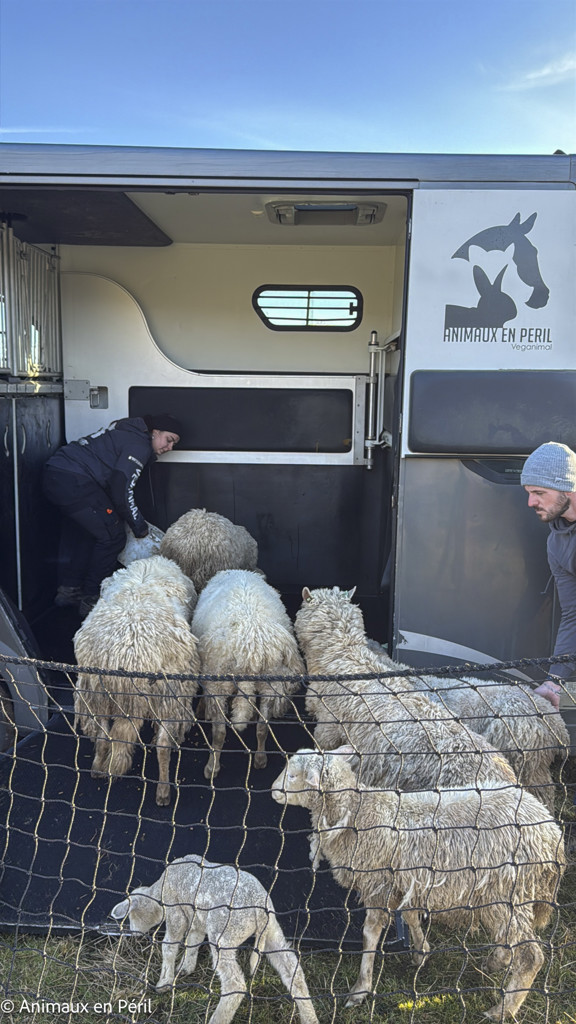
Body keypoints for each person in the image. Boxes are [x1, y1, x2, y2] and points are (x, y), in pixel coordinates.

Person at [43, 413, 182, 618]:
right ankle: (92, 598)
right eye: (169, 440)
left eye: (174, 444)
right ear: (155, 432)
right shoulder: (139, 445)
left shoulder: (125, 433)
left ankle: (68, 591)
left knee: (87, 531)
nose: (169, 447)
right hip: (75, 480)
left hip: (56, 472)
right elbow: (122, 490)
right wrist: (139, 526)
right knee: (113, 537)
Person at [521, 440, 576, 709]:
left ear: (567, 486)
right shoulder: (557, 543)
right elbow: (573, 615)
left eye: (539, 492)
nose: (531, 501)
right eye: (529, 492)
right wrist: (555, 680)